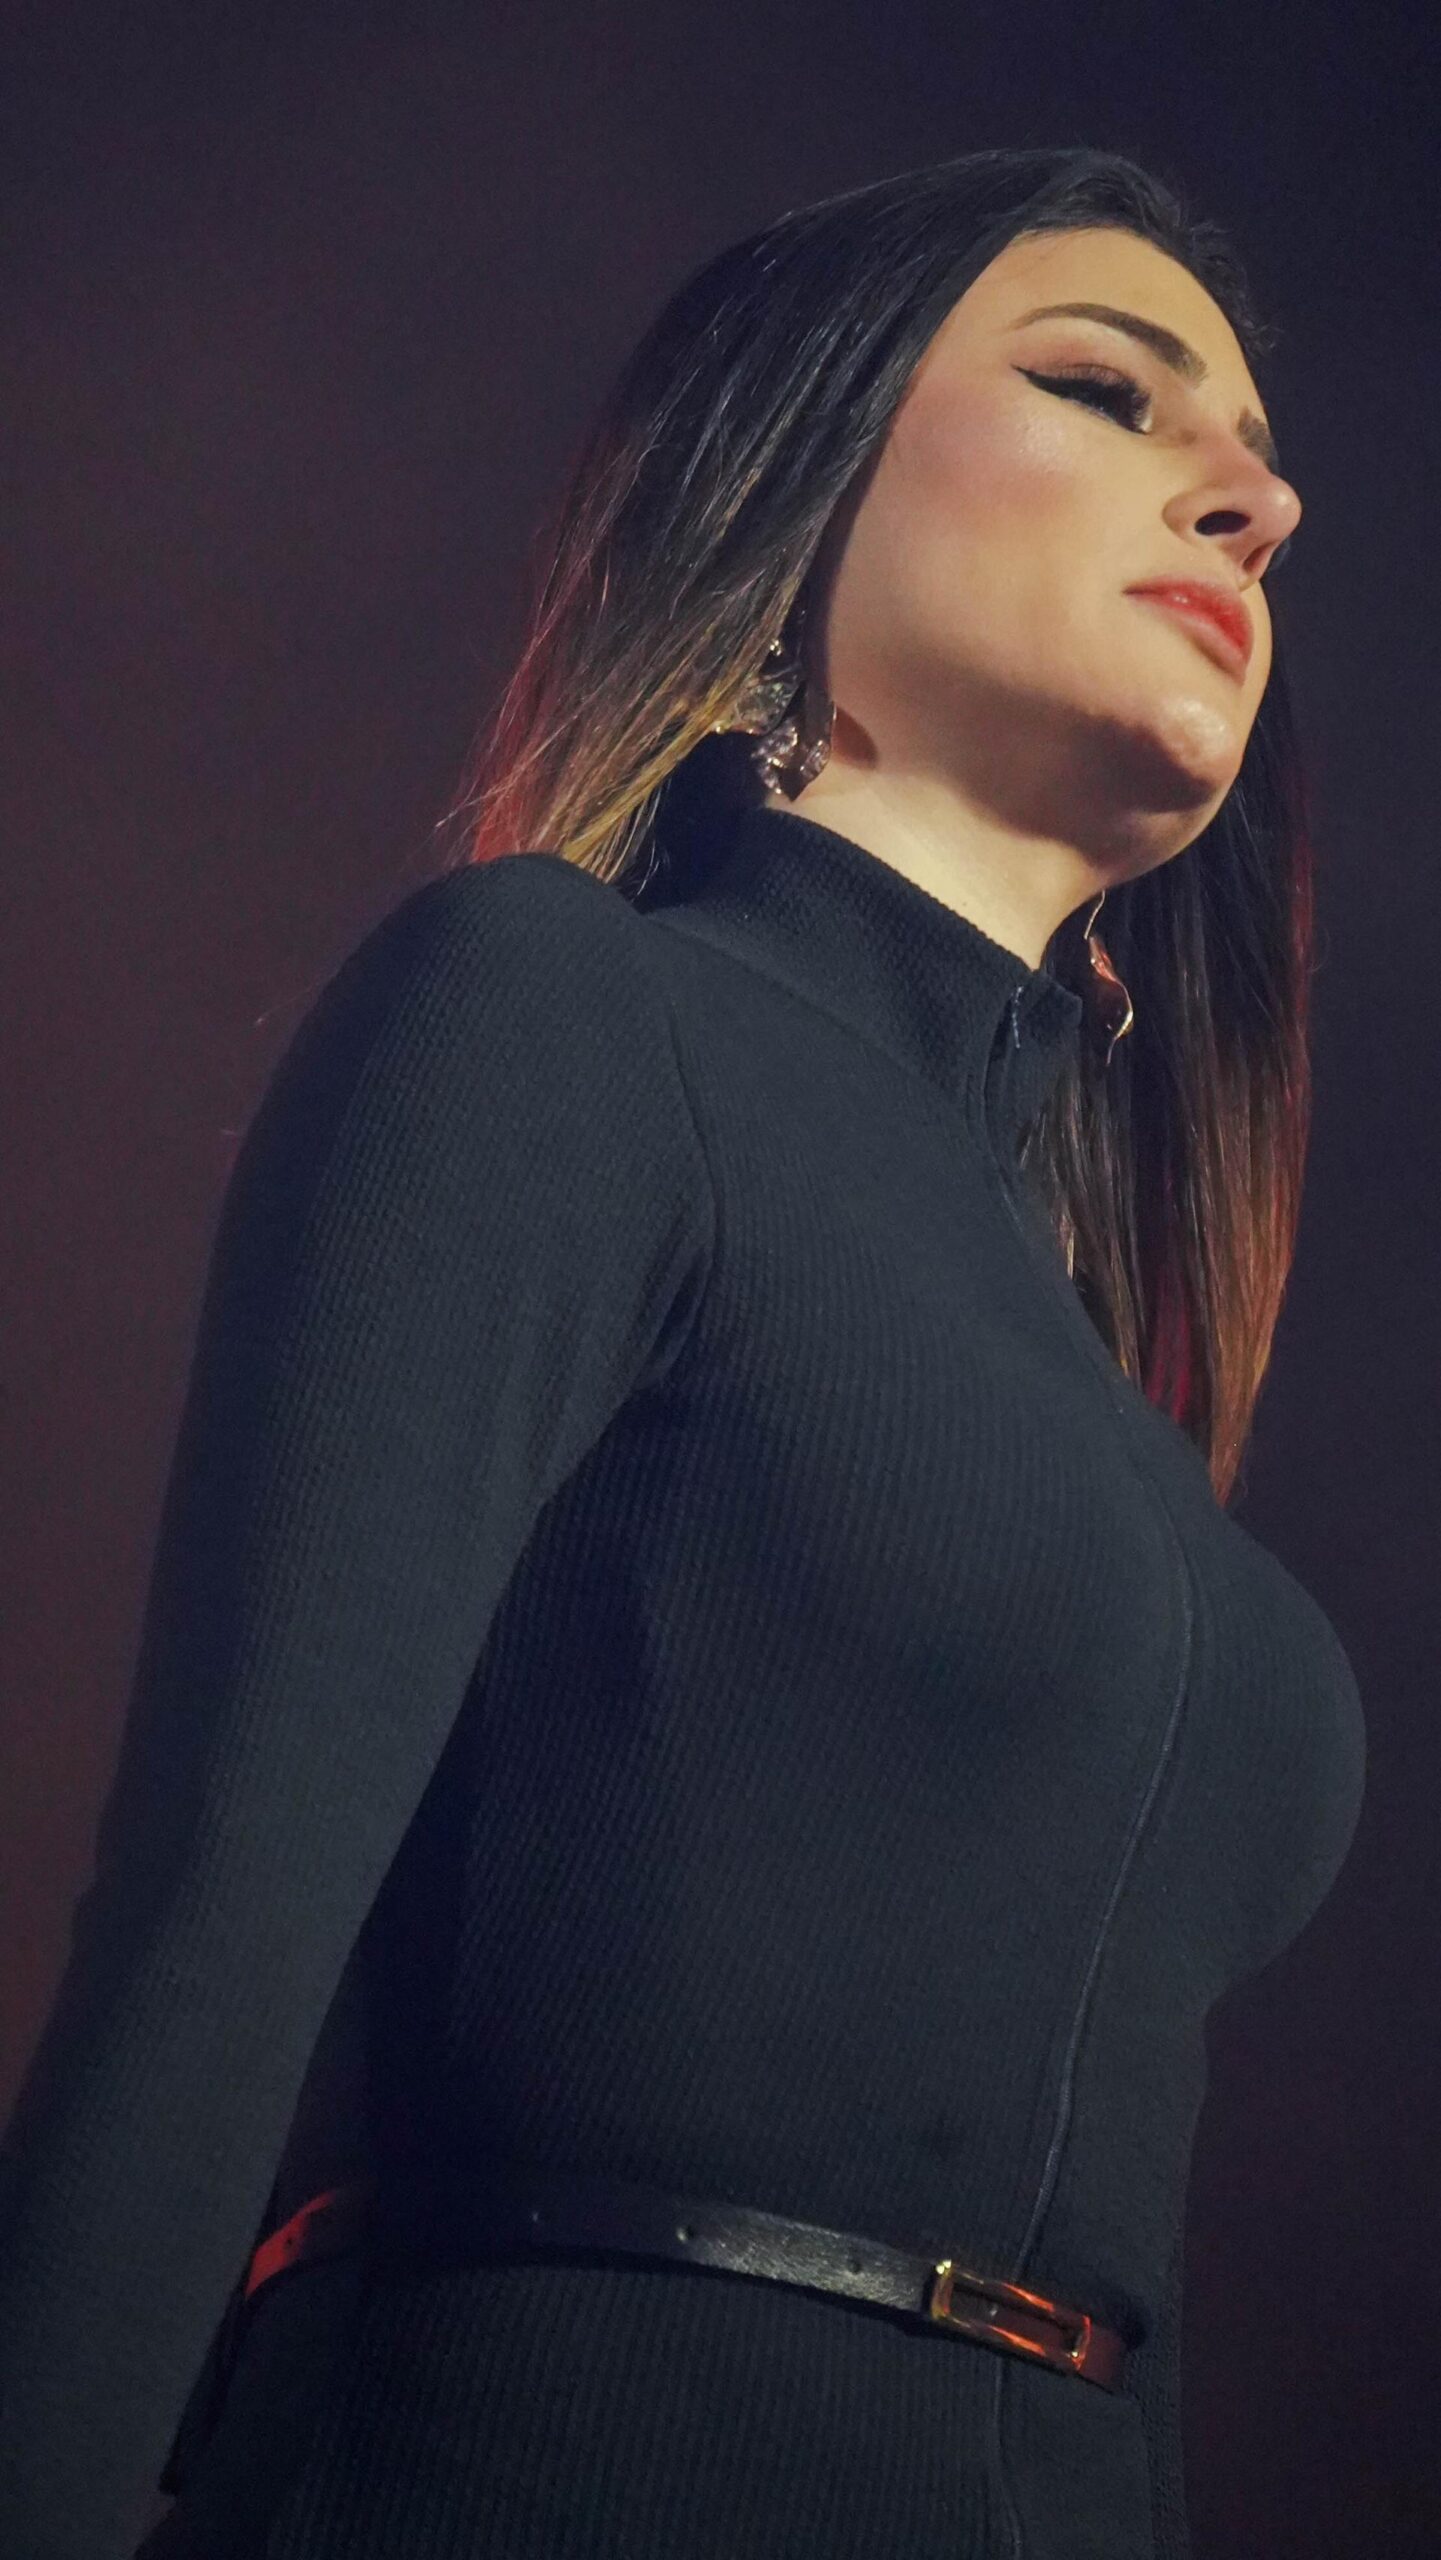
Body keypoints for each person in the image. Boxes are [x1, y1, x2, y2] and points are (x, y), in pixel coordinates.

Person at [0, 143, 1366, 2560]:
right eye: (1103, 387)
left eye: (1255, 453)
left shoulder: (1098, 1385)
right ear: (794, 479)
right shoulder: (556, 1010)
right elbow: (219, 1918)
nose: (1253, 499)